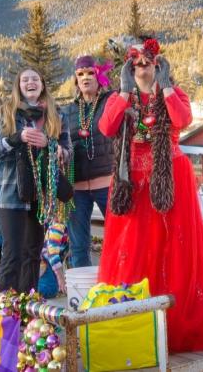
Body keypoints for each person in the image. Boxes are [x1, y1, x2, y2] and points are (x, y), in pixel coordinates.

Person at [97, 37, 203, 352]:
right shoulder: (122, 96)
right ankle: (135, 324)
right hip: (133, 181)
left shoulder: (174, 93)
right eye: (135, 62)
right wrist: (124, 90)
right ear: (129, 66)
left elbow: (182, 120)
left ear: (158, 63)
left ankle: (175, 326)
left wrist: (165, 87)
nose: (142, 66)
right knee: (136, 251)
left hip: (170, 179)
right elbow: (106, 127)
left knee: (173, 252)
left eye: (148, 61)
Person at [0, 67, 72, 293]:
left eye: (35, 79)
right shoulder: (6, 112)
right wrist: (14, 139)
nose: (30, 82)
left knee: (33, 253)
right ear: (18, 86)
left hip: (41, 194)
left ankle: (25, 307)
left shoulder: (56, 114)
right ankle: (3, 313)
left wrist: (59, 150)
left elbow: (69, 150)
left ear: (41, 84)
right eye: (25, 80)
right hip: (11, 191)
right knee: (12, 252)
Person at [61, 55, 114, 267]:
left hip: (108, 184)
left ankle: (121, 285)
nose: (85, 78)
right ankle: (81, 291)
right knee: (78, 245)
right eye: (80, 74)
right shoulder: (67, 111)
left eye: (90, 73)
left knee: (119, 238)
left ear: (99, 75)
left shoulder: (111, 101)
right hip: (78, 188)